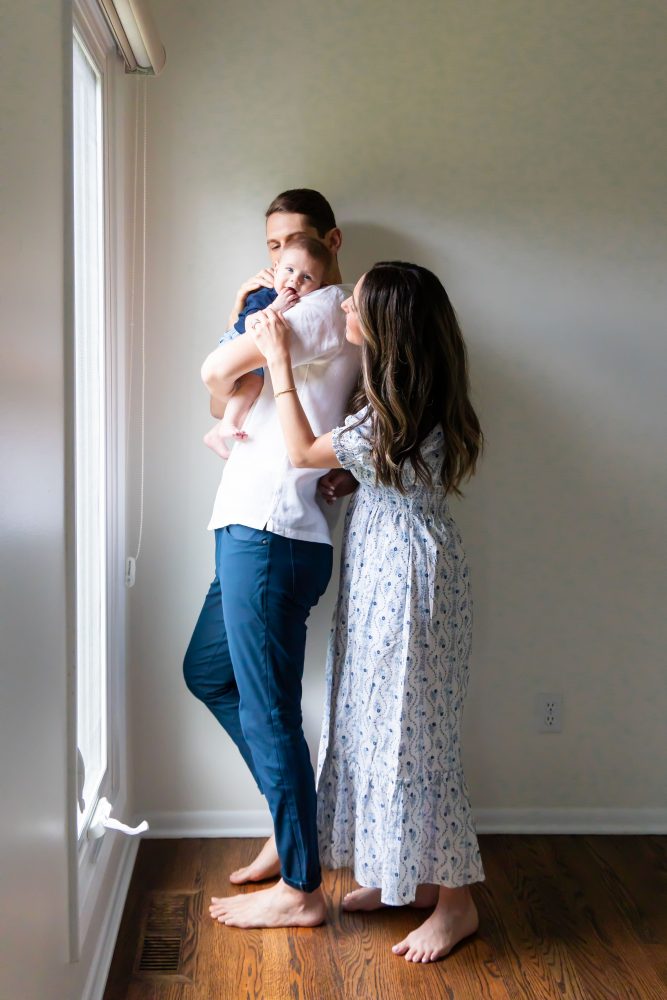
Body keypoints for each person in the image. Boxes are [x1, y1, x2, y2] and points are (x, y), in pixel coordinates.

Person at [242, 261, 485, 962]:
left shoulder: (390, 406)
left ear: (383, 324)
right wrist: (359, 477)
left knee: (412, 742)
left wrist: (279, 363)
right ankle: (394, 873)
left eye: (355, 300)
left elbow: (297, 452)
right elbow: (388, 466)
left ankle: (456, 904)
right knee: (375, 731)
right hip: (389, 568)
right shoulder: (403, 397)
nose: (343, 303)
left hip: (404, 583)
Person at [184, 189, 360, 929]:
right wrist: (239, 348)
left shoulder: (321, 306)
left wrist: (242, 319)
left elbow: (212, 373)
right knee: (208, 673)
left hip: (271, 531)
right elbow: (228, 393)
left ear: (329, 242)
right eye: (271, 249)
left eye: (295, 244)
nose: (281, 264)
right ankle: (294, 833)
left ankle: (300, 887)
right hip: (251, 526)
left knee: (269, 712)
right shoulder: (298, 312)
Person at [204, 235, 332, 459]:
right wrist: (276, 307)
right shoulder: (265, 294)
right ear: (276, 268)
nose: (295, 281)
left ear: (321, 286)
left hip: (252, 351)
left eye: (307, 277)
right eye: (289, 270)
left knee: (253, 393)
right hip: (235, 339)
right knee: (253, 384)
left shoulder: (315, 304)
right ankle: (225, 425)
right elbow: (250, 323)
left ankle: (219, 431)